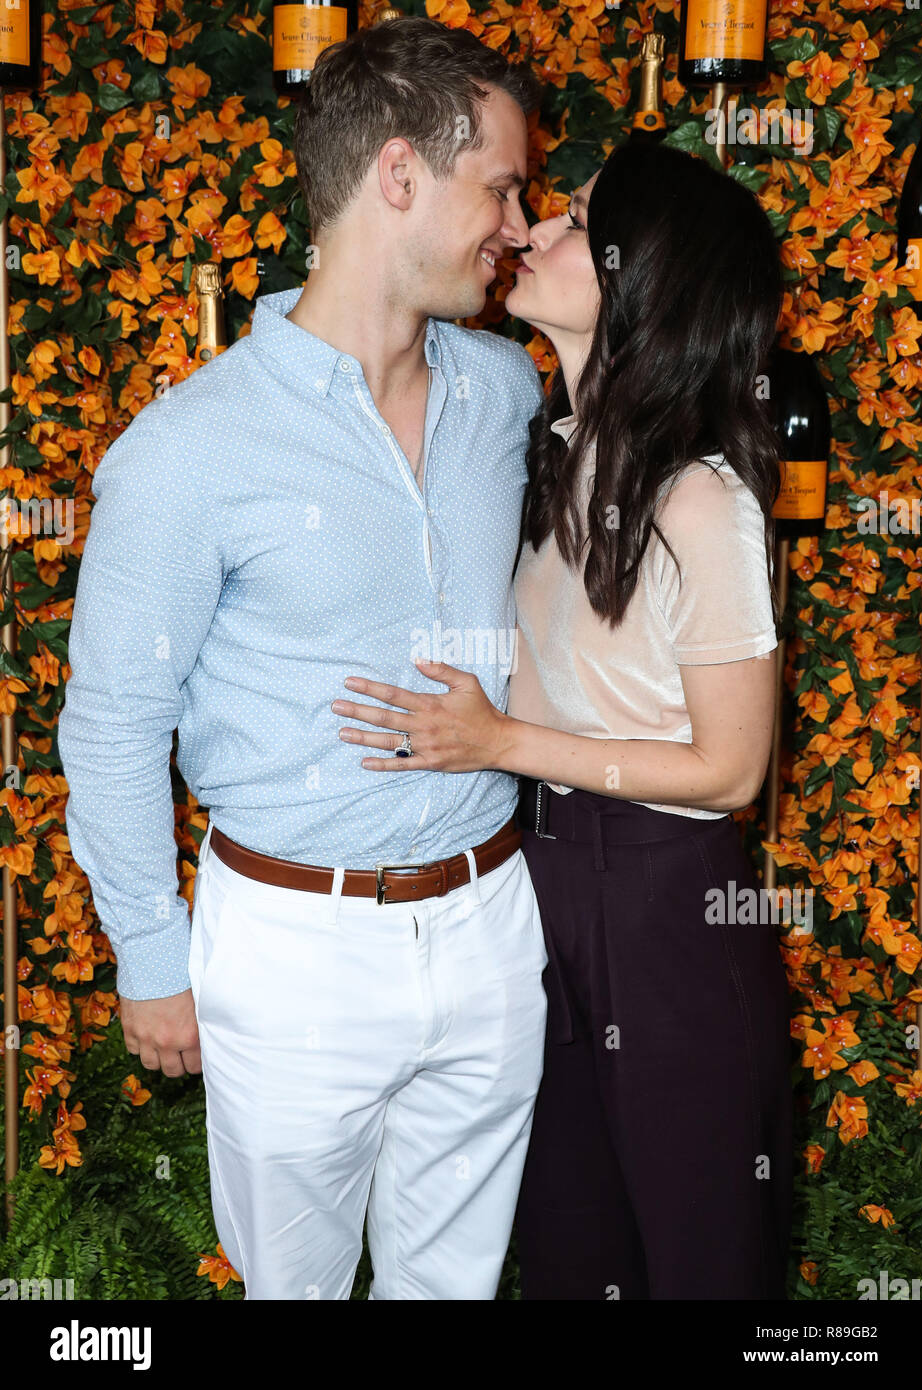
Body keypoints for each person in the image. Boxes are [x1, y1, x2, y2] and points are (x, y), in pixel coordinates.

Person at [57, 16, 551, 1300]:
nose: (515, 220)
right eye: (499, 185)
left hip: (493, 916)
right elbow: (114, 721)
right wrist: (150, 958)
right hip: (291, 943)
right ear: (399, 175)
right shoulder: (189, 449)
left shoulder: (505, 391)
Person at [331, 140, 795, 1300]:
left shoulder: (702, 497)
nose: (530, 229)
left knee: (699, 1265)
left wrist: (499, 743)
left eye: (573, 218)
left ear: (645, 274)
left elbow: (734, 769)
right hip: (527, 887)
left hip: (665, 903)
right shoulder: (545, 454)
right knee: (569, 1255)